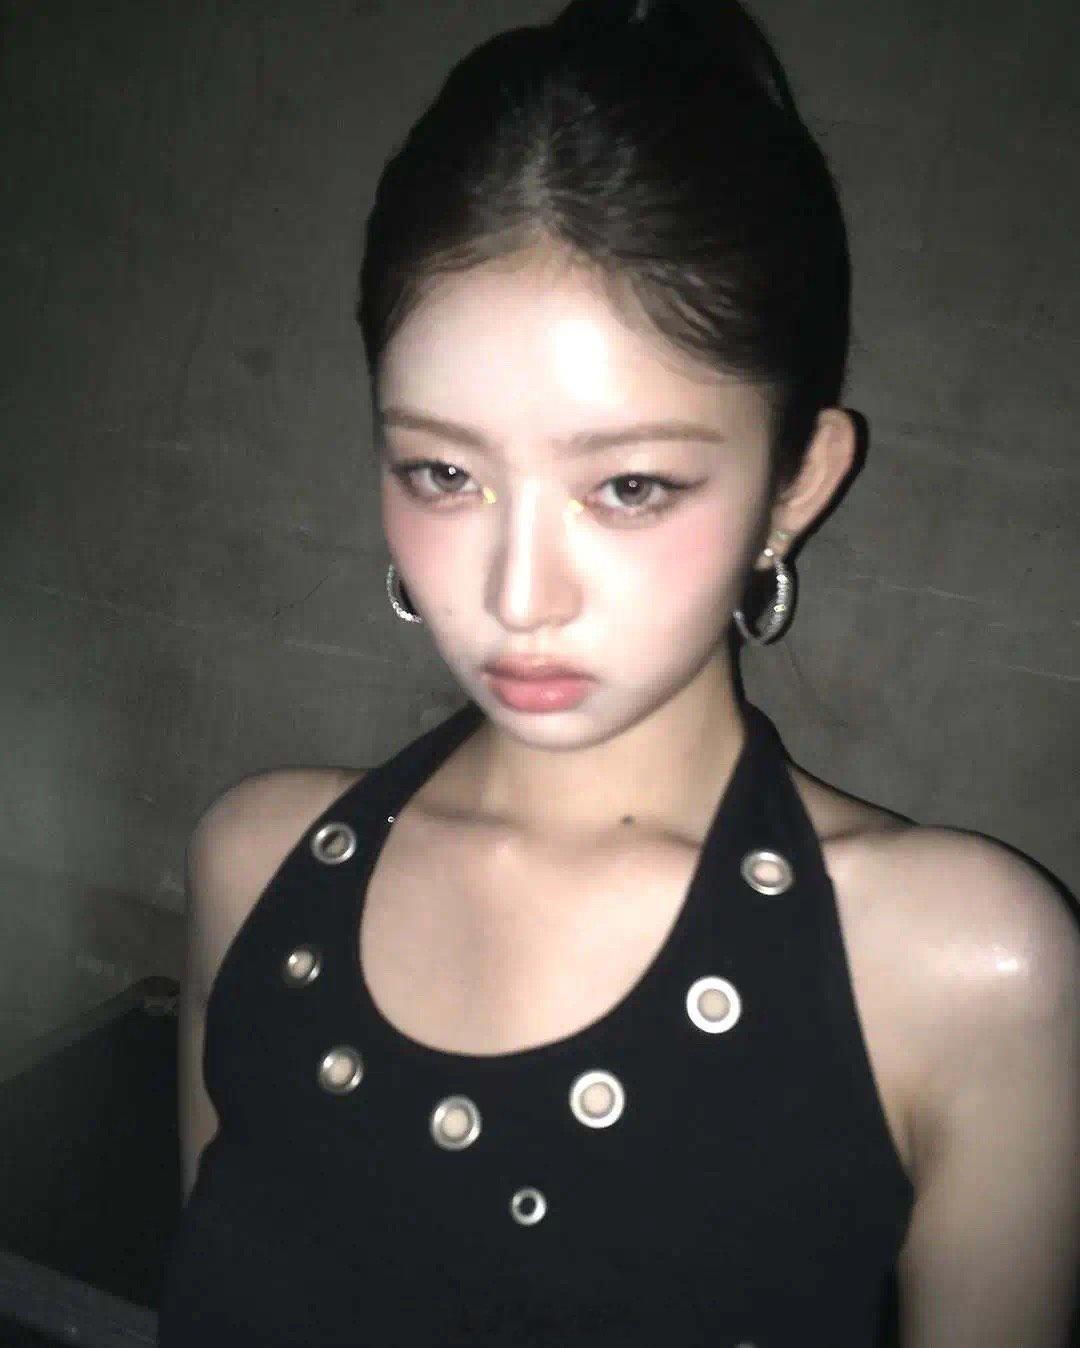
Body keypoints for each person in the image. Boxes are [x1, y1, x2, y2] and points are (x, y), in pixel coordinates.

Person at [158, 1, 1080, 1345]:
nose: (517, 594)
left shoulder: (962, 969)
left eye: (631, 485)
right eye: (443, 473)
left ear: (796, 482)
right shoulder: (252, 868)